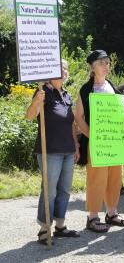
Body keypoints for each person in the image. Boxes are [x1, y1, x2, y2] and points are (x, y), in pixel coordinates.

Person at [75, 50, 124, 233]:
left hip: (114, 141)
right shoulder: (86, 89)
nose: (106, 66)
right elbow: (79, 117)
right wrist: (92, 136)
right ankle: (92, 217)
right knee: (97, 178)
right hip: (96, 142)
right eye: (102, 63)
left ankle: (112, 213)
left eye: (108, 62)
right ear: (93, 67)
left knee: (115, 177)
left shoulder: (112, 87)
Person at [26, 59, 80, 245]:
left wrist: (76, 145)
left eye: (66, 67)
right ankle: (44, 229)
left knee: (64, 190)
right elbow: (30, 116)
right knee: (50, 191)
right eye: (60, 68)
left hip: (67, 150)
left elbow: (70, 123)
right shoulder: (43, 92)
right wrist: (35, 102)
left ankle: (60, 226)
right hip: (49, 150)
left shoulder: (66, 94)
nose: (64, 71)